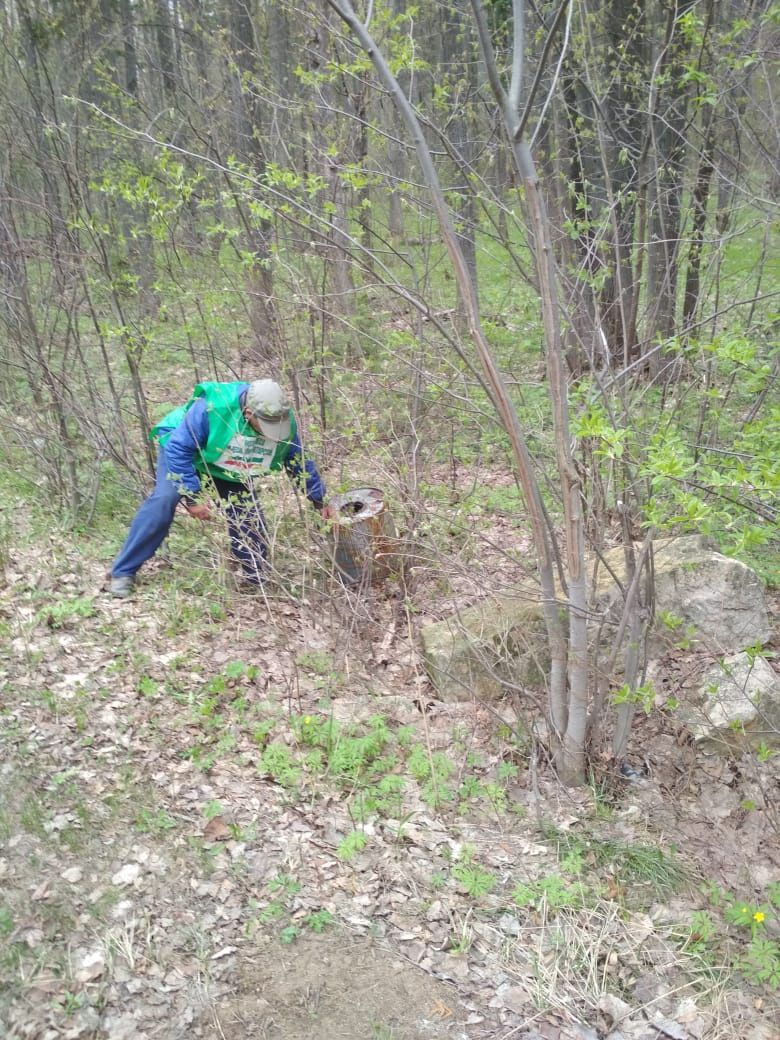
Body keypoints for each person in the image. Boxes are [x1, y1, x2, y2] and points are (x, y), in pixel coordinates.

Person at [110, 379, 332, 597]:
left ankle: (255, 578)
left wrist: (320, 500)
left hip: (227, 462)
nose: (271, 432)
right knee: (164, 500)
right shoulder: (214, 408)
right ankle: (123, 572)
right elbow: (179, 448)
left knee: (247, 513)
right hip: (185, 450)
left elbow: (298, 461)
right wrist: (192, 497)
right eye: (265, 425)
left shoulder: (282, 419)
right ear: (248, 413)